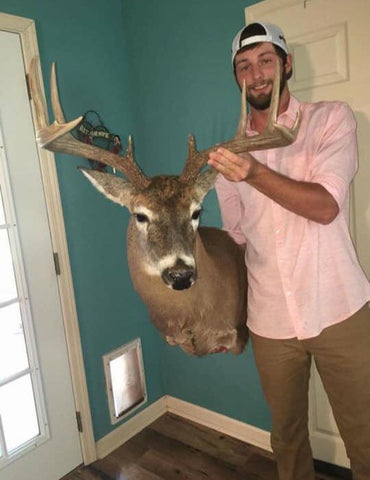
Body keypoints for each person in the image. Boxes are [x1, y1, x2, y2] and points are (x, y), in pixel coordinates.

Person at [208, 21, 370, 480]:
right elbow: (237, 241)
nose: (256, 74)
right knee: (287, 438)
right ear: (236, 77)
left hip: (340, 308)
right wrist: (227, 316)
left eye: (265, 60)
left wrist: (254, 174)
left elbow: (324, 207)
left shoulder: (332, 118)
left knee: (366, 435)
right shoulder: (229, 154)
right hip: (271, 320)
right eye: (244, 66)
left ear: (287, 63)